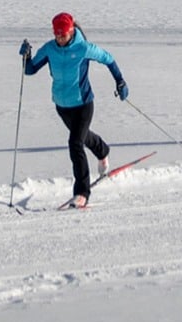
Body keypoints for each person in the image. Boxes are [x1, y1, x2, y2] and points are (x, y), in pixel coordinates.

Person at [20, 12, 129, 208]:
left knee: (75, 144)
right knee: (83, 137)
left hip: (83, 104)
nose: (59, 38)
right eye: (57, 34)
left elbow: (108, 59)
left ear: (71, 31)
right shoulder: (49, 49)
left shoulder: (83, 48)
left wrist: (120, 81)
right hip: (62, 106)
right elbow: (30, 70)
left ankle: (82, 193)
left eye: (63, 34)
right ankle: (102, 150)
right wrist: (26, 56)